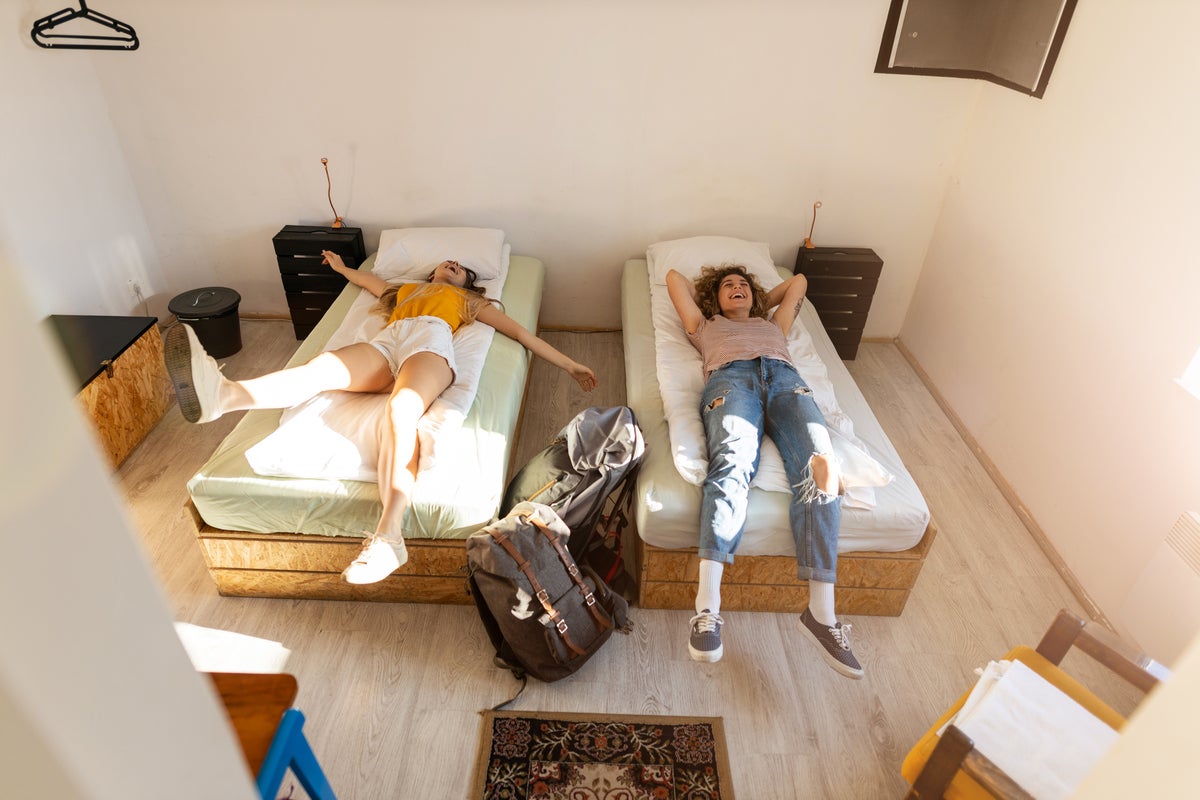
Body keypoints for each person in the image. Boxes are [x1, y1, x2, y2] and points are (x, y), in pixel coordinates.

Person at [166, 250, 597, 585]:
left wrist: (570, 365)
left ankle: (389, 535)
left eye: (462, 267)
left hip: (432, 342)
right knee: (317, 371)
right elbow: (366, 279)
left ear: (469, 283)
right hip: (387, 342)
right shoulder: (403, 290)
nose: (453, 264)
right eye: (448, 262)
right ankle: (224, 396)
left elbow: (521, 333)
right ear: (431, 273)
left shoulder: (466, 302)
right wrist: (338, 265)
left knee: (402, 408)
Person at [666, 263, 862, 678]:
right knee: (732, 466)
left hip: (788, 380)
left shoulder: (775, 324)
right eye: (727, 287)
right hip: (730, 381)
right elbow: (672, 277)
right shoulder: (703, 324)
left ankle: (822, 617)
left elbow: (798, 282)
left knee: (822, 468)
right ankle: (707, 610)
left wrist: (756, 299)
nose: (736, 288)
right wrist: (726, 297)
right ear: (712, 299)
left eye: (743, 285)